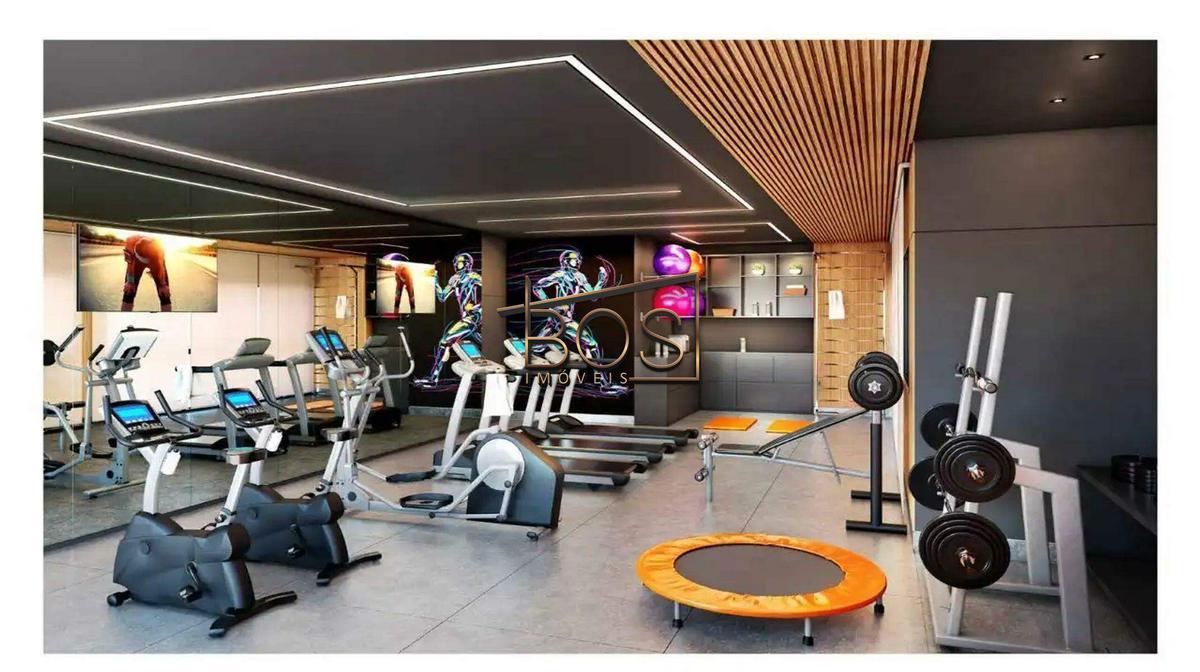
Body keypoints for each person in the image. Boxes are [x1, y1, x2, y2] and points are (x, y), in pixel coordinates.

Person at [532, 249, 624, 396]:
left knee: (536, 348)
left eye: (578, 260)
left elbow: (593, 296)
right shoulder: (560, 275)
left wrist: (601, 280)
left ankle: (604, 384)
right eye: (575, 260)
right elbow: (537, 286)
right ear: (566, 262)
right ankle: (604, 385)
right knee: (591, 344)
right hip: (561, 319)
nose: (578, 262)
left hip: (561, 319)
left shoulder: (579, 276)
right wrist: (550, 304)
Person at [415, 253, 481, 386]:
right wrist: (435, 280)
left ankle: (433, 378)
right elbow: (442, 297)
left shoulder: (473, 277)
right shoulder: (454, 279)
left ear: (467, 264)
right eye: (455, 263)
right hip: (467, 318)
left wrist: (477, 307)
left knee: (445, 342)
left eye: (460, 263)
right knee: (482, 342)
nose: (456, 266)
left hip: (473, 317)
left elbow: (489, 291)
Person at [121, 234, 172, 312]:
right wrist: (130, 282)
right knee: (129, 291)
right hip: (136, 261)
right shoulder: (130, 241)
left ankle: (168, 317)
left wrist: (163, 284)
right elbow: (130, 262)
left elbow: (160, 266)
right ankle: (124, 316)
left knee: (164, 293)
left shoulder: (159, 248)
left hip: (155, 261)